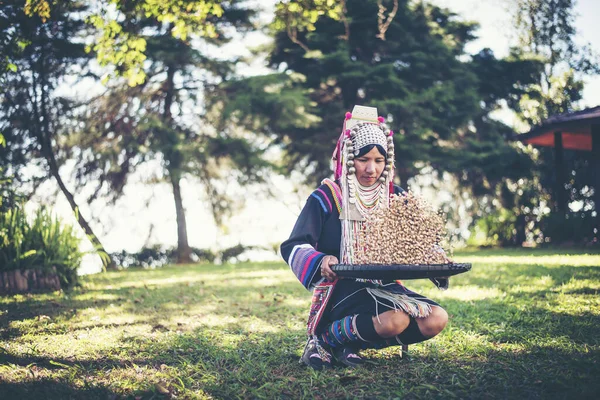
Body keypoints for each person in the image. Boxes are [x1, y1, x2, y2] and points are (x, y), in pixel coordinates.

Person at [280, 105, 449, 370]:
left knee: (436, 318)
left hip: (385, 286)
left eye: (379, 161)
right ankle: (323, 340)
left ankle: (350, 343)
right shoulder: (327, 196)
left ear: (387, 162)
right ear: (349, 157)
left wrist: (435, 254)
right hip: (342, 289)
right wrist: (322, 260)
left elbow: (421, 240)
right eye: (363, 159)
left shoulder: (395, 196)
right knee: (395, 320)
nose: (371, 169)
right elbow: (293, 246)